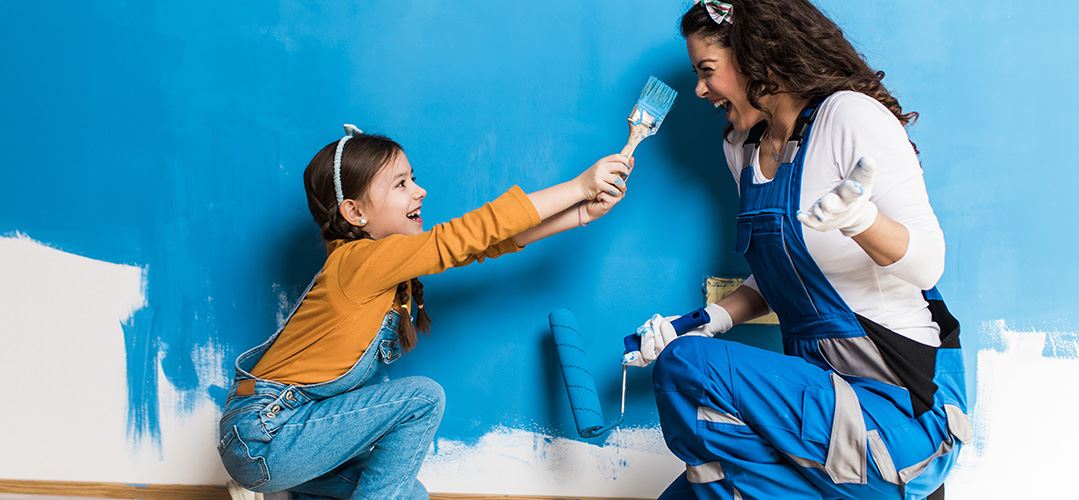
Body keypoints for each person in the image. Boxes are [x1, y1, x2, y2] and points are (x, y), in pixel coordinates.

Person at [632, 2, 970, 498]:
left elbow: (927, 262)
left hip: (896, 413)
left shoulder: (848, 116)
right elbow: (784, 276)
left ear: (757, 57)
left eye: (707, 71)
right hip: (819, 411)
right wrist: (705, 320)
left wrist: (861, 221)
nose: (700, 90)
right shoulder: (742, 149)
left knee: (687, 367)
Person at [217, 124, 631, 499]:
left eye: (413, 178)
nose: (420, 190)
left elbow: (482, 247)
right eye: (401, 184)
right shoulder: (357, 263)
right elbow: (466, 236)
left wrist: (579, 214)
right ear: (355, 213)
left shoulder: (382, 269)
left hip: (292, 437)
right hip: (265, 438)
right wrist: (578, 187)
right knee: (423, 398)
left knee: (409, 495)